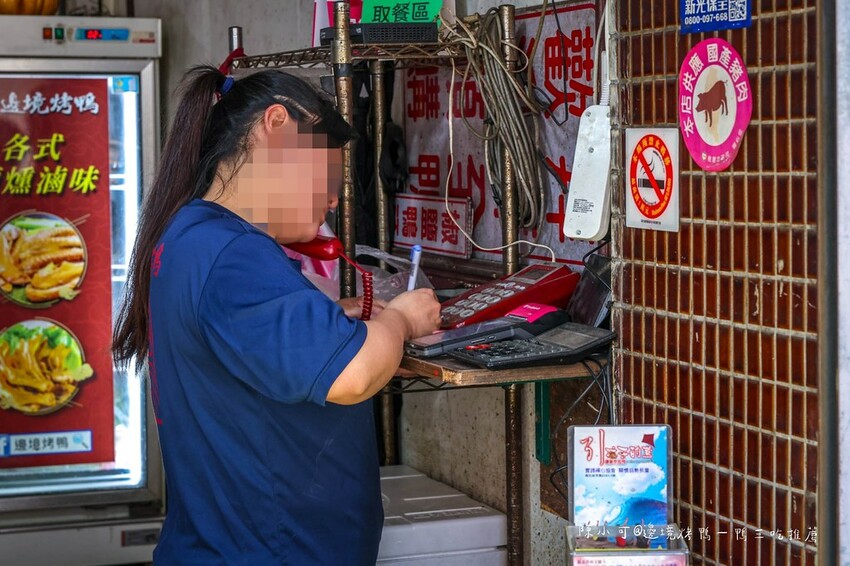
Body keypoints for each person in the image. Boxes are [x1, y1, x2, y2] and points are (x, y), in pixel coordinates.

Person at [112, 65, 442, 565]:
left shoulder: (190, 234)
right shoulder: (231, 251)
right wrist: (401, 321)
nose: (333, 199)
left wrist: (331, 316)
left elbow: (234, 344)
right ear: (279, 125)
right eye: (328, 175)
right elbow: (353, 375)